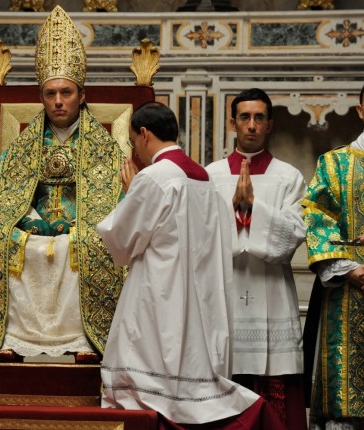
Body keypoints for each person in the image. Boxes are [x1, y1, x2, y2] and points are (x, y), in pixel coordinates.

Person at [0, 5, 126, 398]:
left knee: (88, 244)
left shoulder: (102, 146)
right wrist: (29, 220)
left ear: (82, 95)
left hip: (80, 229)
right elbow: (1, 191)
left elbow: (112, 199)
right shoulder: (28, 142)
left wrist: (76, 223)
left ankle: (84, 339)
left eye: (66, 93)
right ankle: (11, 338)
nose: (58, 102)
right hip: (33, 228)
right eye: (50, 94)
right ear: (41, 97)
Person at [97, 101, 284, 428]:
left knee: (147, 367)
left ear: (144, 134)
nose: (135, 150)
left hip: (160, 288)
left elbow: (122, 239)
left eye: (133, 141)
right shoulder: (202, 177)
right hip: (199, 290)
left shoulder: (153, 177)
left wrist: (129, 193)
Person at [205, 88, 307, 429]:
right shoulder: (211, 175)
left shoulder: (289, 177)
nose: (252, 125)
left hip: (272, 292)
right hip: (225, 291)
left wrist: (251, 208)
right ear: (232, 123)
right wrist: (238, 214)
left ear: (270, 124)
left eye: (259, 118)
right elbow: (199, 235)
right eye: (245, 117)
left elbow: (294, 234)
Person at [302, 84, 364, 429]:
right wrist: (351, 269)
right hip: (348, 291)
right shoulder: (335, 163)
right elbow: (317, 217)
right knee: (345, 400)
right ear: (361, 110)